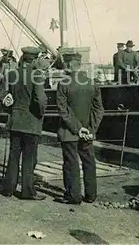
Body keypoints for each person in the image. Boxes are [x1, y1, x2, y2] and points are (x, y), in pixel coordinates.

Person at [0, 46, 47, 200]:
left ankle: (8, 189)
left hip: (15, 121)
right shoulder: (36, 75)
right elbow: (40, 99)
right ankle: (27, 192)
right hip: (31, 122)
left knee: (13, 156)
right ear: (34, 59)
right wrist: (40, 114)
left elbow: (2, 95)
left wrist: (7, 104)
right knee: (29, 158)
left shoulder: (11, 74)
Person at [54, 52, 104, 205]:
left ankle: (73, 196)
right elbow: (99, 109)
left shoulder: (64, 84)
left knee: (71, 163)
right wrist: (90, 129)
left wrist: (77, 128)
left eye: (65, 66)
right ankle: (91, 195)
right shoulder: (92, 83)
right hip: (87, 133)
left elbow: (63, 111)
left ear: (69, 66)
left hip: (69, 132)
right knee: (89, 161)